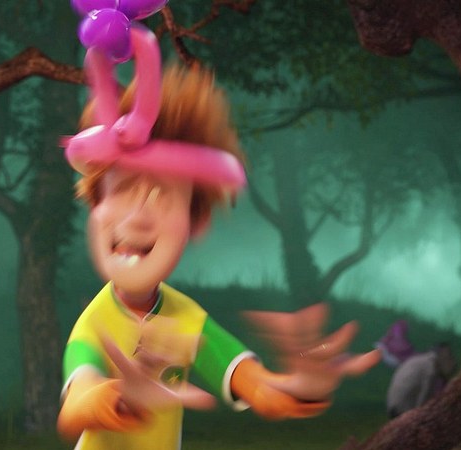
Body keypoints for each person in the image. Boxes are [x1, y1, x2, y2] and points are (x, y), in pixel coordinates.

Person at [56, 17, 381, 450]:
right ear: (94, 205)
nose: (138, 219)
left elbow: (254, 384)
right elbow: (75, 405)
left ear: (195, 222)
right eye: (123, 191)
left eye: (162, 198)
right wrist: (112, 398)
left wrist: (298, 386)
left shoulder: (185, 317)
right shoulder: (94, 324)